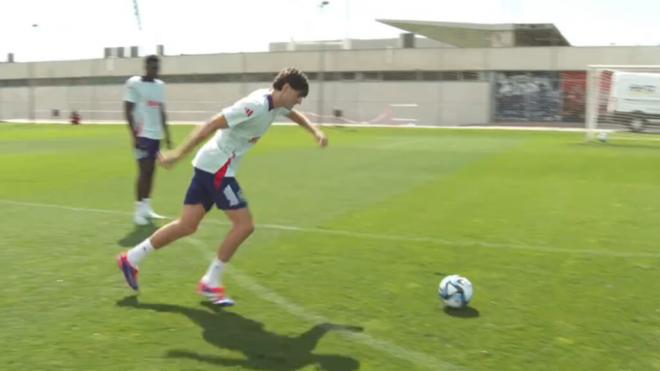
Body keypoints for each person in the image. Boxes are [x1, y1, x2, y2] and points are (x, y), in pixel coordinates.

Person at [117, 67, 328, 306]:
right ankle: (211, 282)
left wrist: (315, 131)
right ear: (287, 88)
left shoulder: (276, 102)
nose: (299, 102)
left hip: (210, 165)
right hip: (218, 168)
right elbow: (210, 125)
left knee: (186, 225)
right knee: (244, 225)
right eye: (298, 95)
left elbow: (293, 115)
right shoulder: (255, 105)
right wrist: (177, 155)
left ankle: (131, 258)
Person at [124, 54, 172, 225]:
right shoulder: (134, 83)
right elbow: (128, 110)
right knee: (143, 172)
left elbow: (161, 109)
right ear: (145, 67)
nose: (155, 71)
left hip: (156, 135)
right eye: (152, 68)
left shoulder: (160, 86)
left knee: (152, 172)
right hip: (142, 134)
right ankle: (138, 211)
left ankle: (147, 207)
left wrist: (168, 134)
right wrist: (134, 135)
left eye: (157, 68)